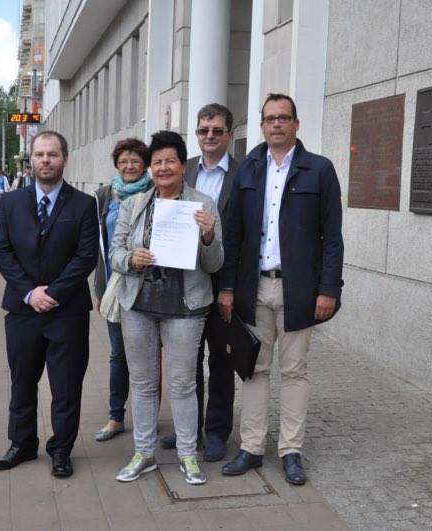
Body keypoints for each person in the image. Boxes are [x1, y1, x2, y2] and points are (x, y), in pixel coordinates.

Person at [218, 94, 344, 486]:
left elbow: (332, 237)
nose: (277, 124)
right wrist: (227, 287)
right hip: (253, 288)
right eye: (270, 118)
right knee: (254, 369)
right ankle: (252, 448)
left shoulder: (319, 170)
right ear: (261, 125)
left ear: (296, 124)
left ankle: (291, 451)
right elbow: (233, 234)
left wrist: (328, 288)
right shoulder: (247, 169)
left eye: (284, 118)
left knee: (294, 371)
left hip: (299, 290)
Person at [110, 131, 223, 485]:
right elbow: (114, 254)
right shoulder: (134, 204)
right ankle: (144, 453)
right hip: (139, 305)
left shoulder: (203, 204)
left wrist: (208, 236)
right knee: (143, 383)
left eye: (170, 161)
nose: (163, 168)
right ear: (150, 168)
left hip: (186, 308)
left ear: (182, 165)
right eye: (157, 162)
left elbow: (214, 264)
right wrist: (132, 259)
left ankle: (188, 454)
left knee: (183, 383)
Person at [0, 131, 99, 479]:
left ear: (65, 158)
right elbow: (2, 251)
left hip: (67, 311)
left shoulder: (84, 204)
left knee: (66, 386)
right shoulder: (11, 202)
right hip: (23, 311)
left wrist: (52, 292)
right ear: (31, 159)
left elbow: (86, 256)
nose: (46, 160)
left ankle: (61, 449)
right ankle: (22, 443)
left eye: (52, 154)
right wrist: (29, 293)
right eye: (39, 154)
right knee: (22, 381)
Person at [159, 103, 237, 462]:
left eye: (217, 130)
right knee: (186, 360)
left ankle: (217, 431)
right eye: (204, 130)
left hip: (222, 282)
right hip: (184, 281)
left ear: (229, 134)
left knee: (220, 360)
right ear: (196, 133)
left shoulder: (244, 174)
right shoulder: (182, 167)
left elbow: (243, 236)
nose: (210, 136)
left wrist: (229, 287)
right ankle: (189, 427)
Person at [92, 138, 153, 442]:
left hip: (149, 287)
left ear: (145, 165)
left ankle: (148, 418)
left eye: (136, 161)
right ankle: (116, 416)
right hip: (115, 286)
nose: (129, 166)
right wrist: (99, 287)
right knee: (119, 355)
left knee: (151, 356)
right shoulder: (104, 195)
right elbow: (98, 245)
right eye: (124, 161)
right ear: (116, 164)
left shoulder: (156, 192)